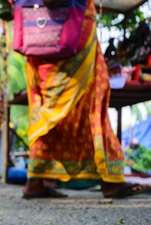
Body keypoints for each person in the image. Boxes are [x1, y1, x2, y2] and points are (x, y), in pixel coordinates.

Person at [19, 0, 151, 198]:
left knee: (46, 111)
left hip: (36, 31)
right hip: (71, 31)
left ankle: (35, 180)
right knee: (91, 106)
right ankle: (110, 180)